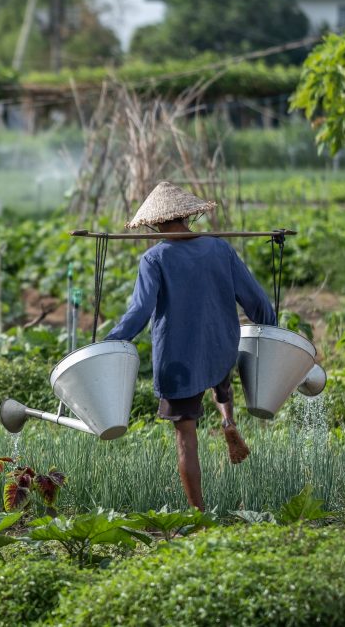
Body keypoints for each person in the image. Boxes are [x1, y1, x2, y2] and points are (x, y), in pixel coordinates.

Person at [105, 182, 276, 511]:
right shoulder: (220, 249)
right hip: (220, 344)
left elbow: (140, 311)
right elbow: (255, 299)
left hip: (178, 358)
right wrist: (272, 330)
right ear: (187, 216)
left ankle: (199, 515)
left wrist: (112, 342)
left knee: (186, 438)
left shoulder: (155, 259)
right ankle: (228, 421)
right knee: (218, 377)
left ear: (155, 223)